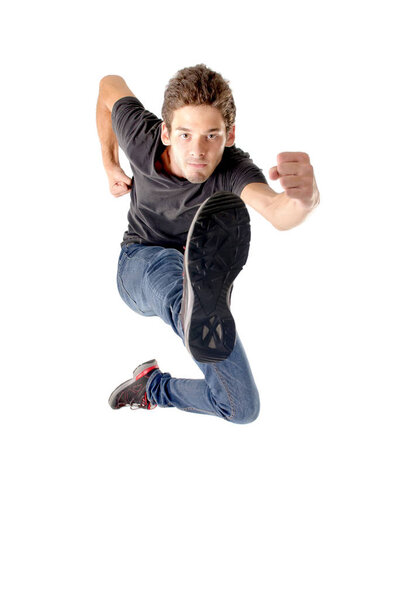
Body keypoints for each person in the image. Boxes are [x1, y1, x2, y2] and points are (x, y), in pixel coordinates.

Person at [96, 64, 320, 424]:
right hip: (138, 263)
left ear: (229, 135)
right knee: (170, 277)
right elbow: (109, 86)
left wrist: (304, 200)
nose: (198, 150)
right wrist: (110, 164)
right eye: (185, 134)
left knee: (241, 408)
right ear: (166, 132)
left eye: (211, 135)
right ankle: (194, 302)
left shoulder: (233, 168)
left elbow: (278, 211)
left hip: (191, 274)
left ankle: (152, 386)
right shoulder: (141, 136)